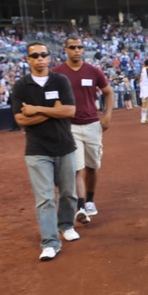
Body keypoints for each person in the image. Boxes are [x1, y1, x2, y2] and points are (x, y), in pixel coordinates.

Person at [10, 42, 80, 261]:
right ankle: (50, 241)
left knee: (69, 193)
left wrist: (37, 110)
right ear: (28, 59)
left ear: (49, 58)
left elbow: (70, 110)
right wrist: (54, 111)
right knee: (45, 198)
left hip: (65, 146)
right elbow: (20, 119)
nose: (40, 58)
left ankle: (66, 224)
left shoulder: (60, 80)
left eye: (43, 54)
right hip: (37, 150)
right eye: (35, 55)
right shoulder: (21, 86)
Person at [52, 36, 113, 224]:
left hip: (93, 124)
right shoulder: (57, 73)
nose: (76, 50)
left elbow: (108, 92)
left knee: (92, 166)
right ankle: (80, 206)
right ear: (66, 50)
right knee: (77, 168)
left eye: (79, 47)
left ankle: (90, 200)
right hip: (70, 126)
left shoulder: (93, 71)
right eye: (72, 47)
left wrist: (108, 115)